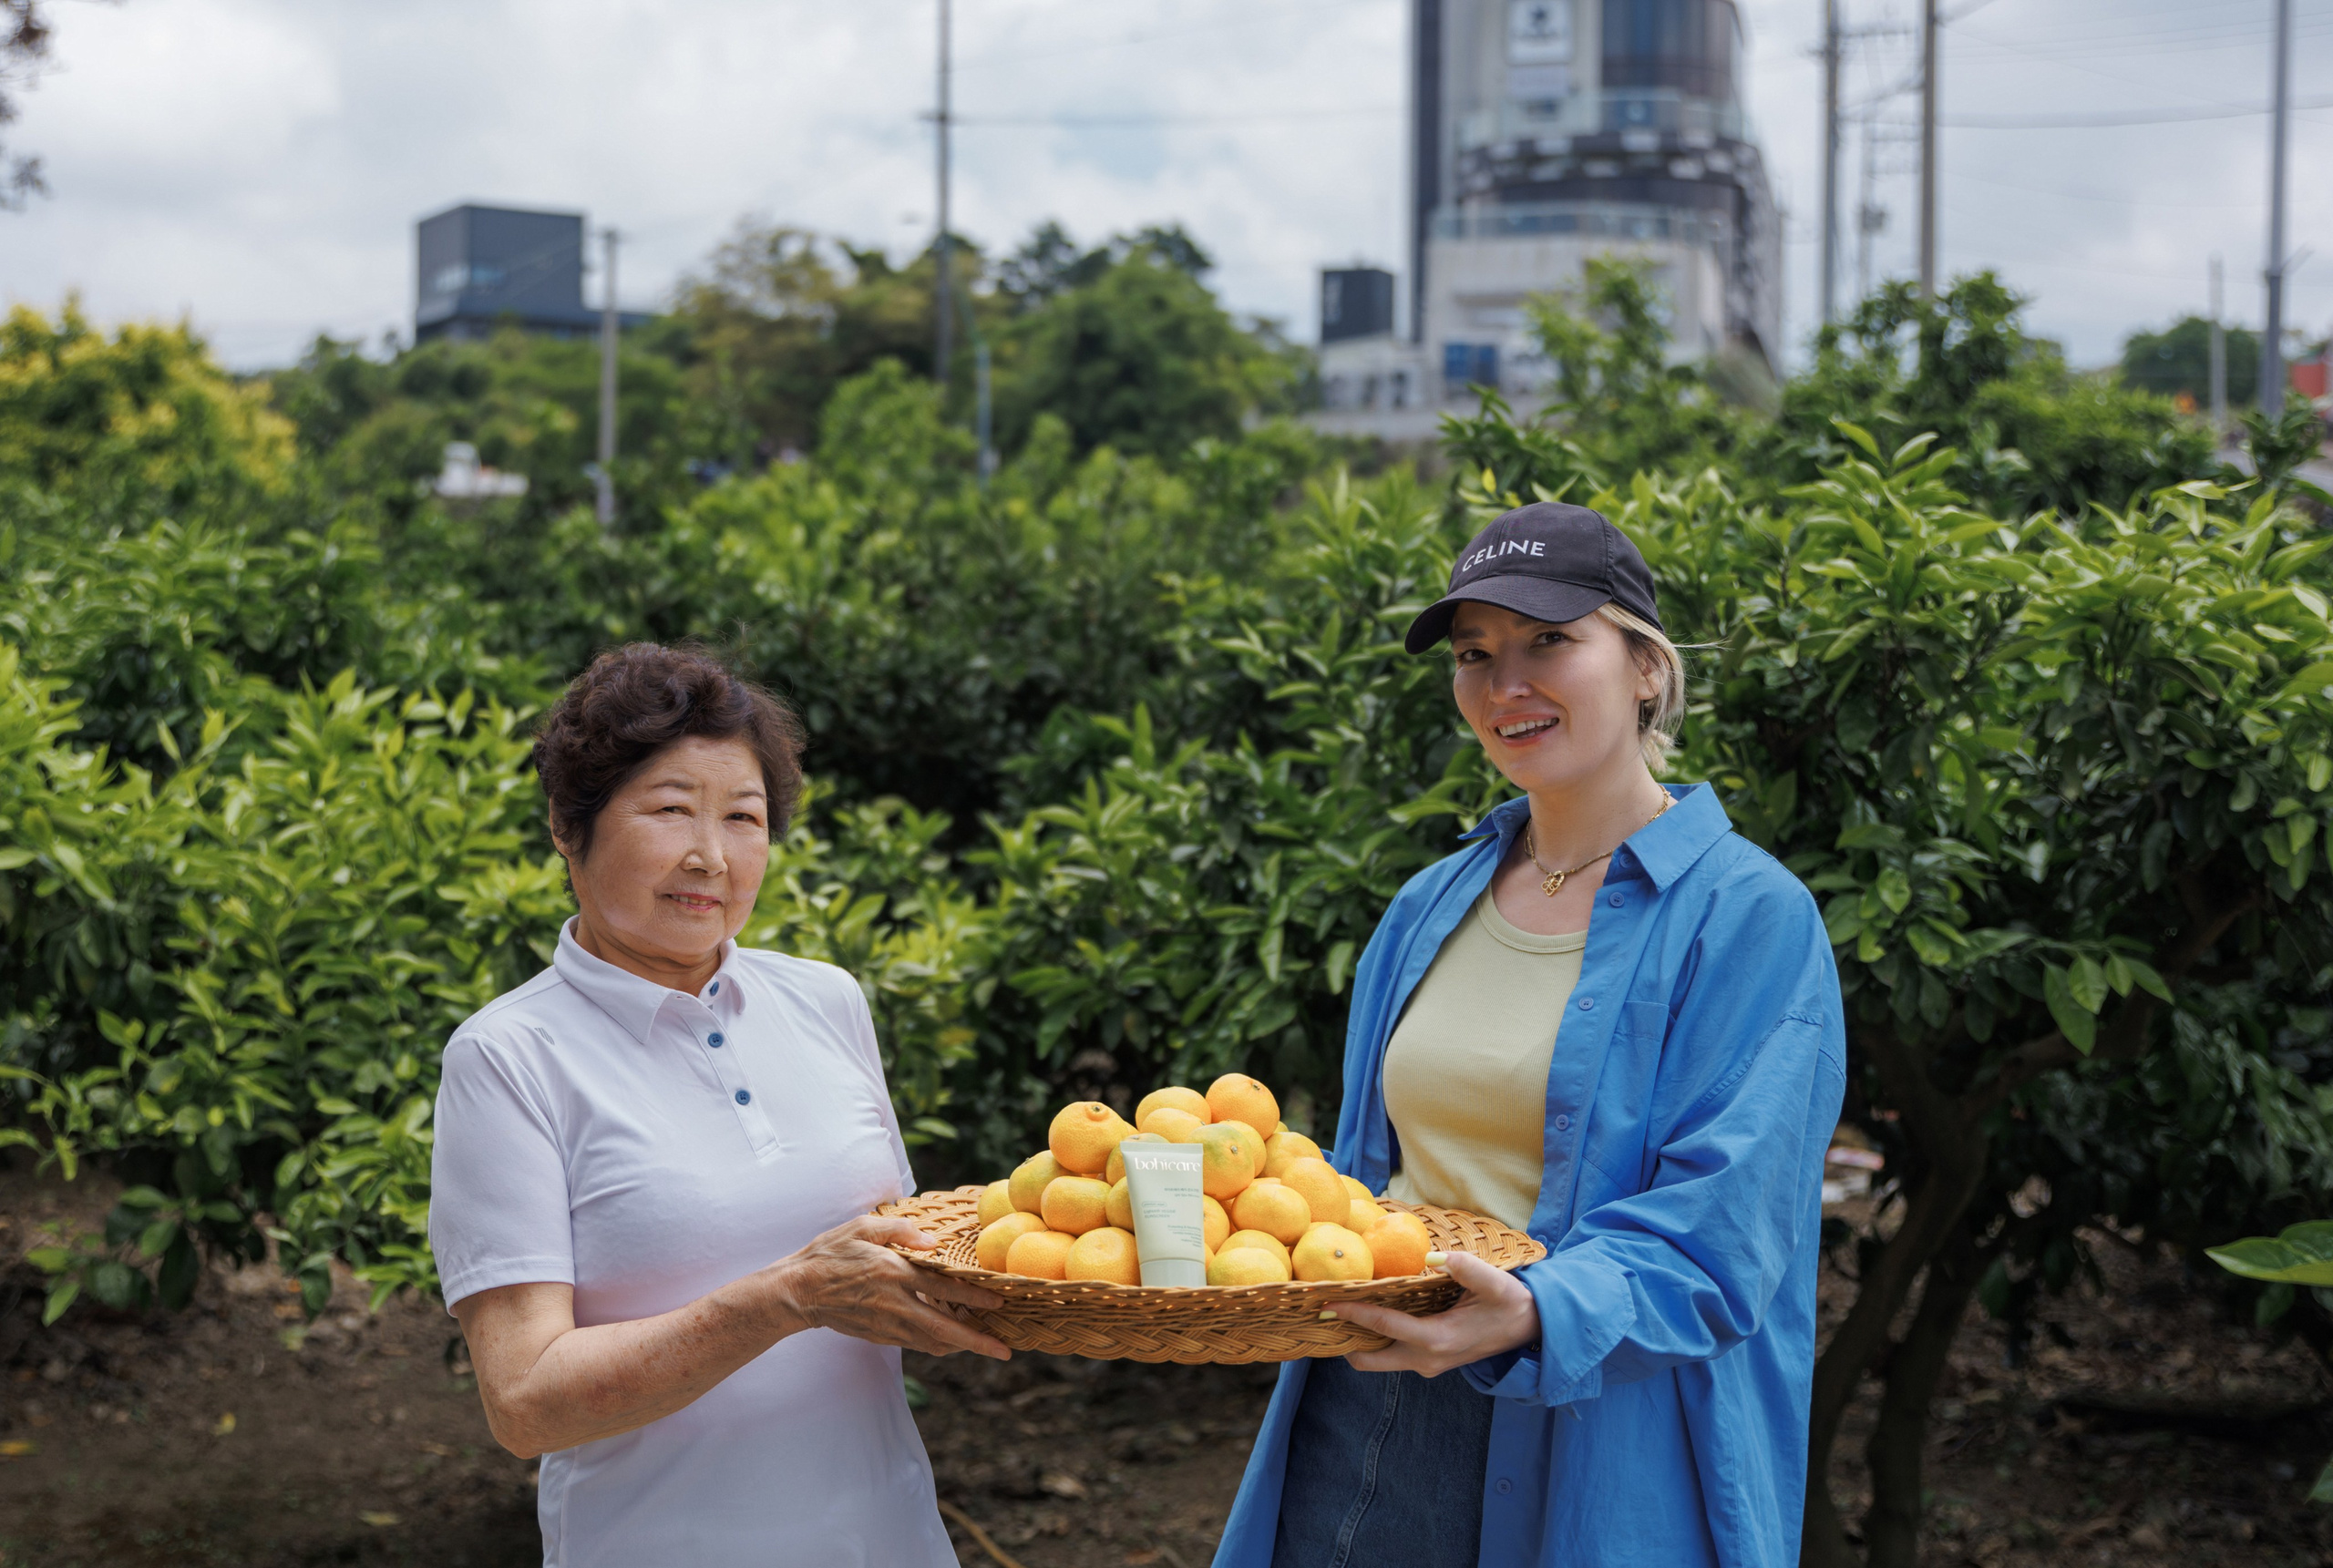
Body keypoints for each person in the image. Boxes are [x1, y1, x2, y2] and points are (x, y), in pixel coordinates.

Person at [1213, 503, 1847, 1568]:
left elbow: (1722, 1226)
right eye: (1476, 653)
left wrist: (1533, 1312)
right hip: (1364, 1391)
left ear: (1646, 667)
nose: (1506, 683)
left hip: (1596, 1422)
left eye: (1549, 640)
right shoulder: (1429, 902)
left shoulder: (1748, 916)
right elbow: (1371, 1175)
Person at [428, 642, 1007, 1568]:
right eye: (668, 810)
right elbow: (526, 1401)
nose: (710, 853)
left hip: (888, 1535)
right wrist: (785, 1297)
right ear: (566, 827)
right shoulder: (509, 1057)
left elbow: (903, 1260)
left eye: (744, 816)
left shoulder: (825, 999)